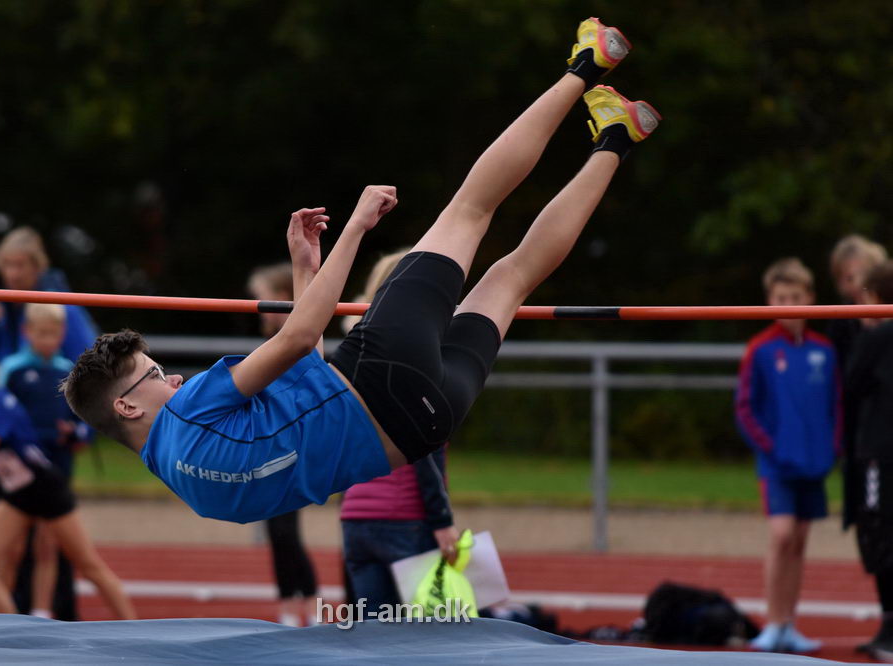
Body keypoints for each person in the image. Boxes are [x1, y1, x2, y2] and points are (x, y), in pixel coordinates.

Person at [62, 19, 658, 525]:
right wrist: (354, 228)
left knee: (513, 277)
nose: (173, 379)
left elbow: (304, 387)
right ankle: (588, 64)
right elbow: (298, 340)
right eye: (155, 375)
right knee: (471, 211)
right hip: (380, 372)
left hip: (423, 424)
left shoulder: (192, 489)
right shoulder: (191, 409)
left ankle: (616, 138)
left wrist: (304, 269)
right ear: (129, 408)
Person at [0, 336, 135, 619]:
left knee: (87, 564)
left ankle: (132, 623)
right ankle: (12, 631)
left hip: (45, 488)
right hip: (16, 493)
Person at [340, 248, 459, 613]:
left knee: (373, 638)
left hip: (356, 518)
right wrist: (442, 522)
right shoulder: (415, 358)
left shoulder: (351, 356)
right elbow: (423, 448)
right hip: (405, 519)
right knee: (431, 637)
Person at [735, 258, 841, 653]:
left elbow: (836, 405)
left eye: (796, 297)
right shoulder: (760, 349)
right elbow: (745, 407)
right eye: (781, 298)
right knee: (780, 535)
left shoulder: (824, 350)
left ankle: (789, 623)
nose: (790, 305)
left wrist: (833, 447)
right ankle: (773, 621)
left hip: (814, 463)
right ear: (769, 301)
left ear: (810, 299)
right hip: (777, 462)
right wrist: (772, 447)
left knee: (798, 540)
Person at [0, 303, 91, 620]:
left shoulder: (68, 370)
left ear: (62, 334)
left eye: (54, 333)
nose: (48, 340)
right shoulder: (12, 369)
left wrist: (77, 433)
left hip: (57, 464)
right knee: (12, 544)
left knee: (47, 542)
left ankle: (41, 610)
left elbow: (82, 418)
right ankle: (6, 610)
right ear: (27, 333)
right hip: (22, 467)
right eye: (41, 333)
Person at [247, 263, 319, 627]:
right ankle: (291, 602)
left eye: (262, 295)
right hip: (271, 447)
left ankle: (304, 601)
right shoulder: (273, 344)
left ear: (280, 298)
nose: (256, 304)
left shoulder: (297, 339)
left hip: (294, 447)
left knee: (285, 530)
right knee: (277, 531)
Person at [842, 260, 893, 658]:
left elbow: (852, 385)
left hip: (879, 453)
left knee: (879, 534)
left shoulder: (877, 337)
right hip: (879, 449)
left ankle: (890, 627)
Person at [0, 226, 97, 362]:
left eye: (20, 265)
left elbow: (87, 360)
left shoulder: (62, 308)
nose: (13, 274)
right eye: (7, 265)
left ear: (37, 267)